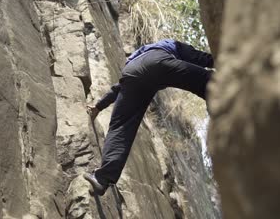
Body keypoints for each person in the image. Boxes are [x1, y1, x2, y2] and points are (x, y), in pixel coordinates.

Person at [84, 38, 214, 195]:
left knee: (121, 127)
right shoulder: (174, 45)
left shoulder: (140, 54)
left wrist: (98, 107)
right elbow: (200, 58)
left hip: (131, 72)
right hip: (158, 62)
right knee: (208, 80)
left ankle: (101, 179)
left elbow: (117, 89)